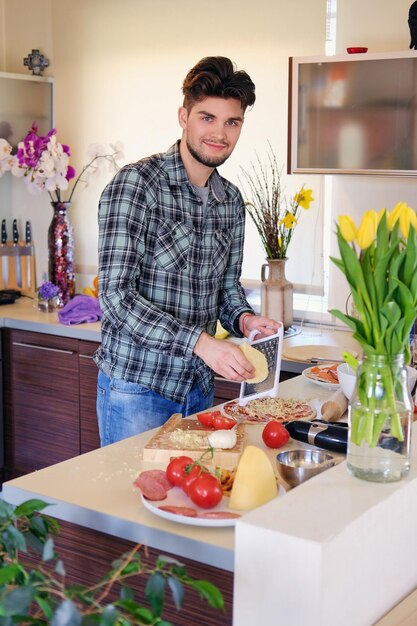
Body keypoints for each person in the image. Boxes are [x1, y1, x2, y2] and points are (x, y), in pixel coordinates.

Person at [95, 56, 281, 446]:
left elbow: (226, 289)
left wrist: (244, 320)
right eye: (207, 118)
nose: (219, 133)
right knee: (132, 504)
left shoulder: (230, 200)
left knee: (189, 505)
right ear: (184, 116)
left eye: (232, 122)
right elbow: (116, 297)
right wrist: (201, 343)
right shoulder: (136, 185)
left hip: (198, 390)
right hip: (138, 391)